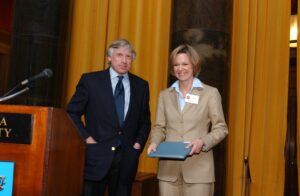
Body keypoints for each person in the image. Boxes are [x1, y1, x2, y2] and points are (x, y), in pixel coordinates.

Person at [67, 39, 151, 196]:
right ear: (109, 57)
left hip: (126, 159)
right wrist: (87, 138)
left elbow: (145, 122)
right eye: (119, 55)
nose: (124, 60)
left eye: (128, 56)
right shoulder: (91, 81)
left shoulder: (141, 86)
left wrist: (137, 145)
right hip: (96, 155)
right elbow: (72, 112)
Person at [147, 44, 228, 196]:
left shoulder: (210, 93)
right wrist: (154, 141)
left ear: (194, 65)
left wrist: (203, 142)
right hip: (168, 172)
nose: (180, 68)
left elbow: (221, 128)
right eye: (176, 64)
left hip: (199, 171)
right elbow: (159, 127)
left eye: (185, 64)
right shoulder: (164, 95)